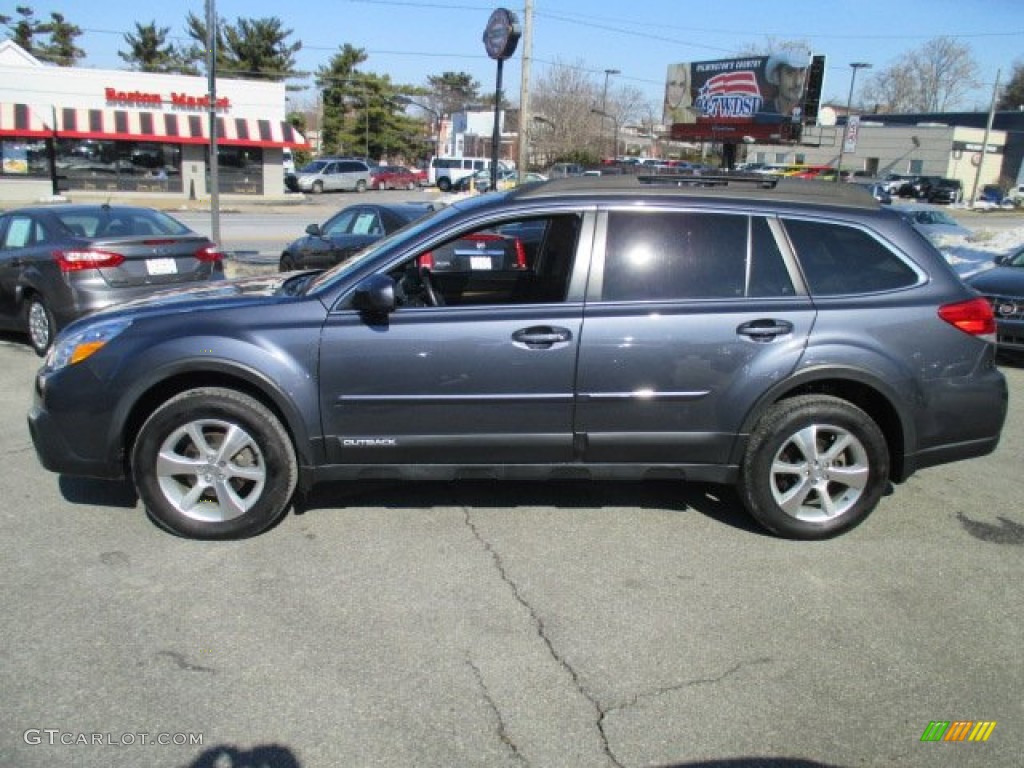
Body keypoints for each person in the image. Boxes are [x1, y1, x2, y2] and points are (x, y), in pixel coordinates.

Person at [763, 51, 810, 119]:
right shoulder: (764, 115)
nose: (798, 82)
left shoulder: (808, 111)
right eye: (790, 73)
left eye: (802, 71)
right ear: (776, 77)